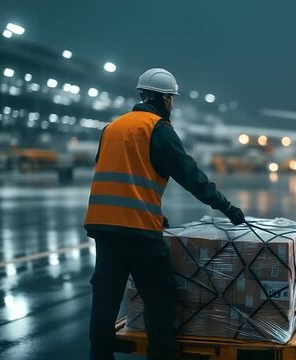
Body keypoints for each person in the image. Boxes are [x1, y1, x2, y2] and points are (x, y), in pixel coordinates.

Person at [84, 68, 245, 360]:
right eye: (172, 99)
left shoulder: (113, 127)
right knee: (160, 297)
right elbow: (191, 176)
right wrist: (228, 208)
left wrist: (155, 216)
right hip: (138, 232)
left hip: (103, 226)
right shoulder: (157, 129)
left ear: (142, 94)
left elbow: (124, 174)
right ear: (166, 99)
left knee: (104, 301)